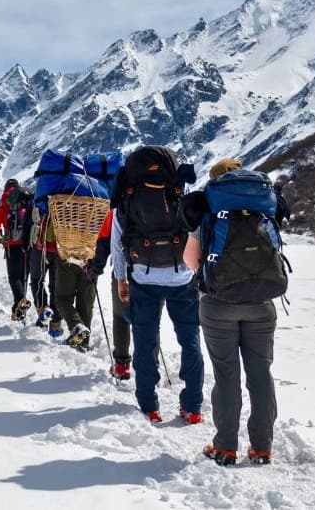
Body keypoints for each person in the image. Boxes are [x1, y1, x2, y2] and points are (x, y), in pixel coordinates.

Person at [184, 158, 291, 466]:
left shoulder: (208, 209)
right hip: (262, 305)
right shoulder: (265, 206)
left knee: (226, 374)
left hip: (219, 305)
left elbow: (191, 262)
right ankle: (261, 447)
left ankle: (226, 447)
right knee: (260, 374)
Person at [111, 146, 204, 424]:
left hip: (143, 277)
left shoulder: (126, 199)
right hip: (182, 278)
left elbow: (118, 242)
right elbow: (196, 234)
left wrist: (120, 278)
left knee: (145, 340)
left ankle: (149, 405)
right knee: (190, 341)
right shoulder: (181, 193)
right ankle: (193, 406)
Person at [86, 207, 133, 379]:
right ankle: (151, 366)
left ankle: (121, 366)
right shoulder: (160, 198)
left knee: (121, 317)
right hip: (152, 272)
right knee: (149, 320)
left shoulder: (117, 207)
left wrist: (95, 268)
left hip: (123, 273)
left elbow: (104, 241)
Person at [0, 180, 32, 320]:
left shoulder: (4, 205)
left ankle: (20, 302)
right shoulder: (27, 202)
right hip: (28, 244)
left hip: (12, 246)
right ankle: (18, 309)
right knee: (24, 276)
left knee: (14, 277)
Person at [53, 208, 96, 351]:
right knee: (85, 303)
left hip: (67, 253)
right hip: (90, 256)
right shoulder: (99, 195)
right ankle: (83, 343)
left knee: (62, 299)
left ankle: (77, 327)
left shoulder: (63, 193)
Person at [29, 203, 61, 334]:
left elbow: (29, 221)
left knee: (37, 280)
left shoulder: (42, 193)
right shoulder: (70, 194)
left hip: (41, 247)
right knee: (56, 286)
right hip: (61, 249)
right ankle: (56, 325)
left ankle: (43, 309)